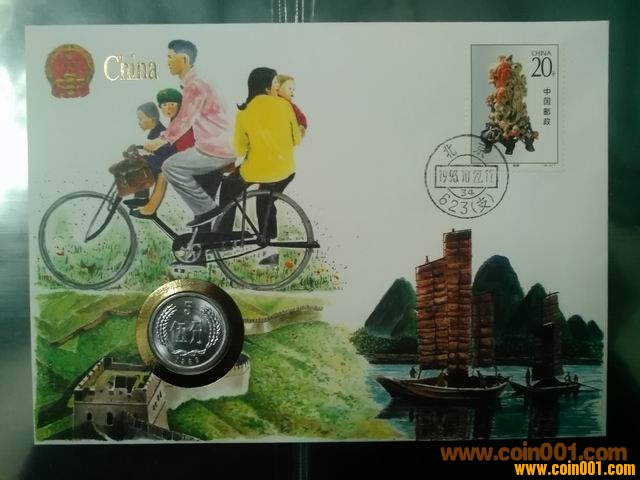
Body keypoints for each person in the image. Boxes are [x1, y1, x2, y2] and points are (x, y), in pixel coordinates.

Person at [145, 39, 236, 227]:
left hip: (214, 150)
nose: (167, 61)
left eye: (170, 57)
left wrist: (161, 140)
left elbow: (184, 119)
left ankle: (206, 209)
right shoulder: (199, 81)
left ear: (184, 60)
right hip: (216, 146)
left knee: (170, 166)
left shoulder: (194, 85)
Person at [230, 67, 302, 266]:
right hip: (285, 170)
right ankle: (271, 251)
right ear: (266, 86)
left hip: (257, 170)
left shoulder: (244, 111)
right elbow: (296, 140)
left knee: (228, 188)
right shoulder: (285, 106)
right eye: (276, 82)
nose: (278, 86)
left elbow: (239, 149)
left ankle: (224, 238)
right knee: (267, 202)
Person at [125, 102, 166, 207]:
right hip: (161, 161)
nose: (139, 123)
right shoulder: (155, 131)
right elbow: (153, 150)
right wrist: (139, 148)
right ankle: (141, 198)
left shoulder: (161, 132)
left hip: (165, 163)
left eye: (141, 119)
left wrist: (144, 156)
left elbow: (162, 154)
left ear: (152, 119)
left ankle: (142, 199)